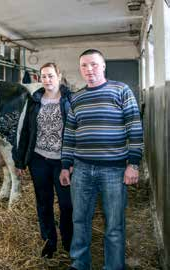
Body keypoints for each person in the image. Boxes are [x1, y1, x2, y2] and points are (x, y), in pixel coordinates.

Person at [60, 49, 143, 270]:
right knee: (79, 221)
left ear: (103, 66)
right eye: (84, 65)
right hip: (82, 169)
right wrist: (65, 166)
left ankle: (114, 266)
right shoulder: (76, 98)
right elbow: (69, 135)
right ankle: (79, 264)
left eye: (94, 64)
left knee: (114, 225)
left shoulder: (121, 90)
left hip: (114, 171)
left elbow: (135, 128)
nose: (89, 69)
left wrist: (133, 164)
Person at [14, 62, 73, 258]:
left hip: (62, 162)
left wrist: (72, 161)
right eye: (43, 76)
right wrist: (20, 161)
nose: (47, 80)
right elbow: (26, 132)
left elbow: (76, 132)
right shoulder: (34, 100)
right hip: (39, 159)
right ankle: (49, 240)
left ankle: (68, 239)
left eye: (50, 75)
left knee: (67, 204)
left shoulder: (69, 100)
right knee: (43, 202)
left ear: (59, 75)